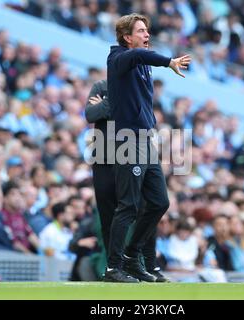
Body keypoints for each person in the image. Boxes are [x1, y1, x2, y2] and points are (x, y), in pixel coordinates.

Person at [103, 13, 191, 283]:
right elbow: (138, 56)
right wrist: (169, 62)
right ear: (127, 37)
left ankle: (131, 256)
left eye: (147, 30)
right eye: (140, 31)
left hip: (145, 140)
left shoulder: (141, 61)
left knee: (159, 202)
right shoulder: (119, 58)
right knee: (128, 205)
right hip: (127, 139)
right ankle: (113, 268)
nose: (146, 35)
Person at [85, 79, 169, 282]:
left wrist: (106, 105)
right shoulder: (101, 86)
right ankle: (114, 267)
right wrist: (116, 102)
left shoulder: (140, 86)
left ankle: (148, 264)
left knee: (144, 208)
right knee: (107, 215)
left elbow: (146, 120)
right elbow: (90, 115)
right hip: (105, 157)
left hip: (133, 154)